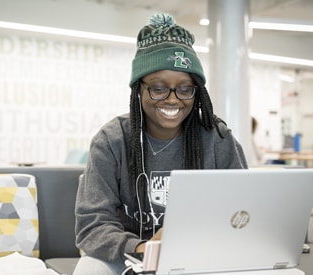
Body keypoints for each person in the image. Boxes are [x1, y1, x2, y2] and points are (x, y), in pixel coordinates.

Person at [73, 13, 247, 275]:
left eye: (185, 89)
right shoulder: (111, 140)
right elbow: (92, 226)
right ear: (138, 89)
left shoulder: (217, 139)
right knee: (90, 269)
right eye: (158, 88)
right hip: (130, 254)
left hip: (201, 252)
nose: (173, 99)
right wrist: (145, 247)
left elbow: (244, 210)